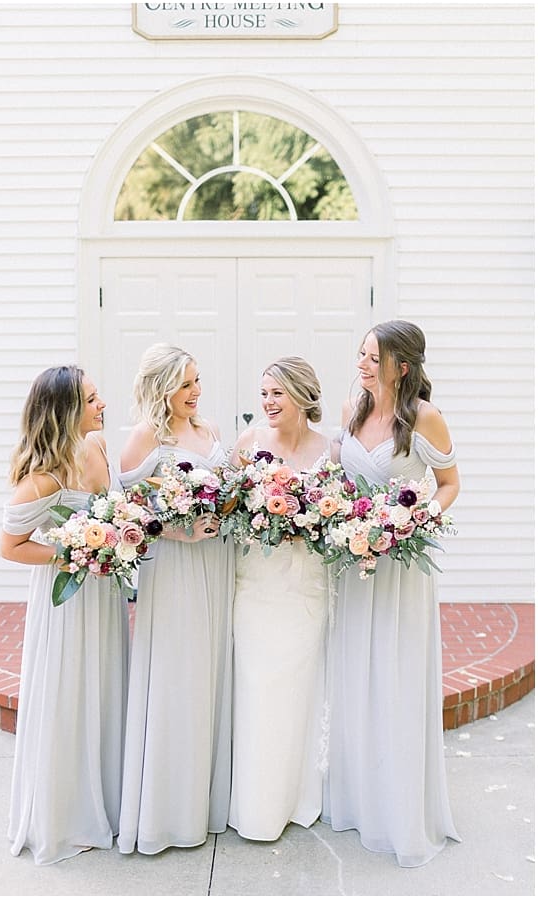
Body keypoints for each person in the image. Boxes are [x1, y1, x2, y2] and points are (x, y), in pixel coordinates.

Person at [323, 320, 460, 866]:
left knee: (396, 673)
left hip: (402, 568)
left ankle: (401, 807)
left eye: (370, 356)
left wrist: (410, 521)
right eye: (359, 353)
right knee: (357, 671)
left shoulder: (425, 418)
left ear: (401, 367)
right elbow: (339, 480)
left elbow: (450, 484)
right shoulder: (351, 410)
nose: (360, 363)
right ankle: (360, 799)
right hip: (354, 565)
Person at [0, 365, 129, 865]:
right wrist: (74, 552)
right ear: (67, 410)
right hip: (66, 604)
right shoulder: (42, 480)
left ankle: (110, 800)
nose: (102, 405)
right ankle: (68, 812)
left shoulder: (96, 448)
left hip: (104, 598)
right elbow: (10, 547)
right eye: (93, 399)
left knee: (103, 688)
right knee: (70, 693)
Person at [116, 343, 233, 855]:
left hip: (218, 561)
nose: (196, 391)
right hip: (177, 566)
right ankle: (169, 810)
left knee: (211, 668)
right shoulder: (145, 438)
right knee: (177, 671)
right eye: (186, 383)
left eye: (197, 380)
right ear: (162, 387)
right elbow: (131, 515)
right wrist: (182, 534)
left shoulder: (209, 431)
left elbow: (228, 490)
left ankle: (210, 799)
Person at [227, 357, 330, 841]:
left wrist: (310, 524)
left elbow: (340, 515)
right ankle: (252, 802)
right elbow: (227, 506)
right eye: (263, 393)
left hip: (304, 587)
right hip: (258, 584)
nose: (266, 403)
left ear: (302, 396)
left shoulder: (329, 450)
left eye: (276, 394)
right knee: (255, 684)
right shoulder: (249, 445)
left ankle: (293, 796)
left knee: (296, 688)